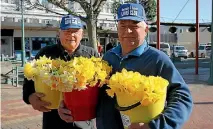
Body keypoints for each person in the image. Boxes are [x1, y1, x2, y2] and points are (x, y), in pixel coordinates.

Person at [58, 3, 193, 129]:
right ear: (117, 28)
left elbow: (182, 96)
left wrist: (157, 125)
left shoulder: (157, 59)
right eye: (122, 25)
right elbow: (96, 93)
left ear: (146, 29)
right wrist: (67, 106)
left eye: (134, 26)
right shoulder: (108, 56)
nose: (127, 31)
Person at [23, 14, 99, 129]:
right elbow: (28, 81)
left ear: (82, 34)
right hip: (53, 120)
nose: (71, 35)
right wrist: (30, 97)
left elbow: (100, 85)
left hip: (85, 120)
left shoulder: (91, 54)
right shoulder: (46, 53)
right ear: (59, 33)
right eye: (67, 31)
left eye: (75, 31)